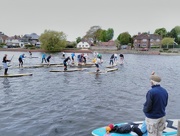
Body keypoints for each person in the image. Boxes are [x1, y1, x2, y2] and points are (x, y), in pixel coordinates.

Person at [143, 71, 168, 136]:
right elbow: (165, 104)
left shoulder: (151, 92)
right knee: (160, 133)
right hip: (162, 116)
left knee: (152, 134)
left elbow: (148, 106)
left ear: (152, 82)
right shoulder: (164, 91)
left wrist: (145, 111)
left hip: (153, 118)